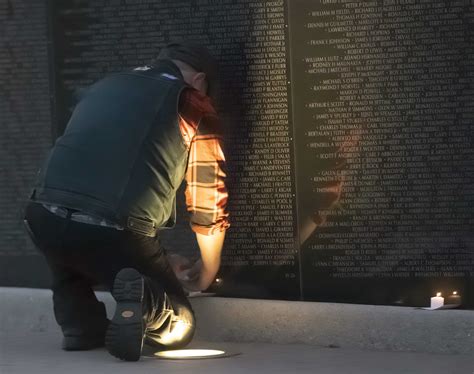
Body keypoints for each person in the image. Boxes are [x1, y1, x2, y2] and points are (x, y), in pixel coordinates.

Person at [22, 42, 230, 361]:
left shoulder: (105, 86)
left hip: (41, 216)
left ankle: (80, 325)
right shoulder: (190, 99)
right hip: (114, 227)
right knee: (180, 324)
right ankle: (147, 305)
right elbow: (207, 195)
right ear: (200, 80)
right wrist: (208, 269)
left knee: (68, 252)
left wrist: (157, 257)